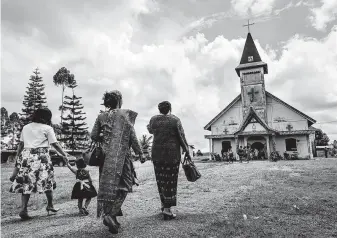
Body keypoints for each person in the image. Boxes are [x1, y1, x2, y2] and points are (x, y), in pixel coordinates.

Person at [91, 90, 145, 234]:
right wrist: (140, 153)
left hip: (105, 158)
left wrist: (104, 135)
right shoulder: (125, 114)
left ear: (107, 102)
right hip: (122, 157)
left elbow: (93, 135)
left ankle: (112, 217)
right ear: (119, 101)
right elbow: (132, 136)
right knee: (125, 185)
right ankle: (110, 214)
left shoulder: (101, 116)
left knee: (109, 187)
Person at [9, 108, 69, 220]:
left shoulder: (26, 127)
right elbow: (55, 144)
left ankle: (24, 209)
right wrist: (64, 155)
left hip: (26, 156)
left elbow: (21, 144)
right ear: (47, 117)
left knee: (26, 181)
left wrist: (18, 156)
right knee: (47, 180)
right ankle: (50, 205)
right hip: (41, 157)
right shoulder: (47, 128)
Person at [147, 101, 191, 220]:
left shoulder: (153, 119)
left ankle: (163, 205)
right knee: (170, 181)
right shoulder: (175, 120)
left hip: (157, 155)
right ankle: (167, 210)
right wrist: (187, 150)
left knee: (160, 180)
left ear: (159, 109)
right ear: (170, 108)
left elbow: (150, 130)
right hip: (172, 155)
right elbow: (181, 136)